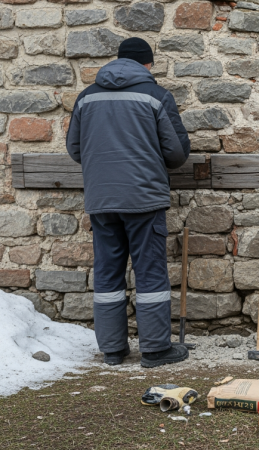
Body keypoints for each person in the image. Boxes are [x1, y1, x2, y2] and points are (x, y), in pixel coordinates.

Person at [66, 38, 191, 368]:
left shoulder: (86, 97)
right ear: (147, 64)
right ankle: (154, 349)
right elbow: (177, 153)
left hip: (101, 198)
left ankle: (112, 349)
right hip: (143, 198)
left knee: (107, 272)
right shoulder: (156, 95)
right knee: (149, 272)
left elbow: (75, 149)